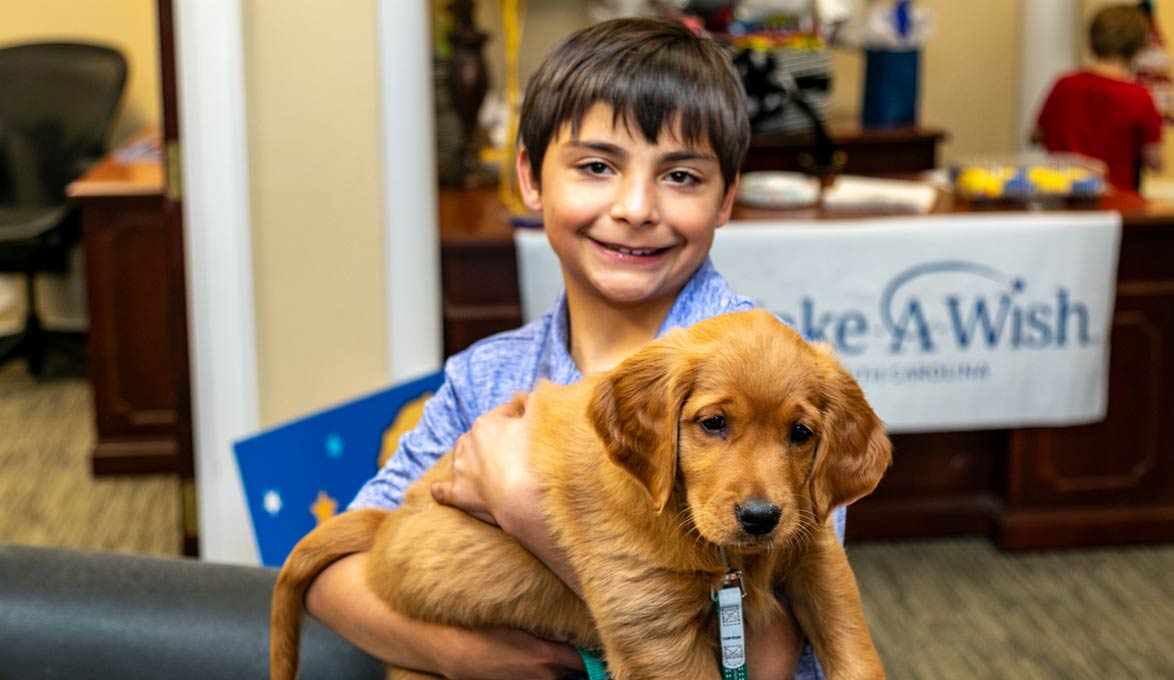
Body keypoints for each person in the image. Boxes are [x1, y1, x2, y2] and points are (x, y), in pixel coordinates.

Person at [307, 17, 845, 680]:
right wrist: (460, 654)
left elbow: (766, 652)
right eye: (596, 166)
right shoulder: (487, 377)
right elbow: (331, 568)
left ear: (726, 197)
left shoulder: (780, 380)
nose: (636, 206)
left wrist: (528, 513)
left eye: (680, 176)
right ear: (531, 179)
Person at [1032, 4, 1164, 193]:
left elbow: (1035, 135)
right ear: (1137, 46)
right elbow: (1155, 161)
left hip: (1063, 197)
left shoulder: (1065, 85)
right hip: (1116, 200)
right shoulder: (1139, 97)